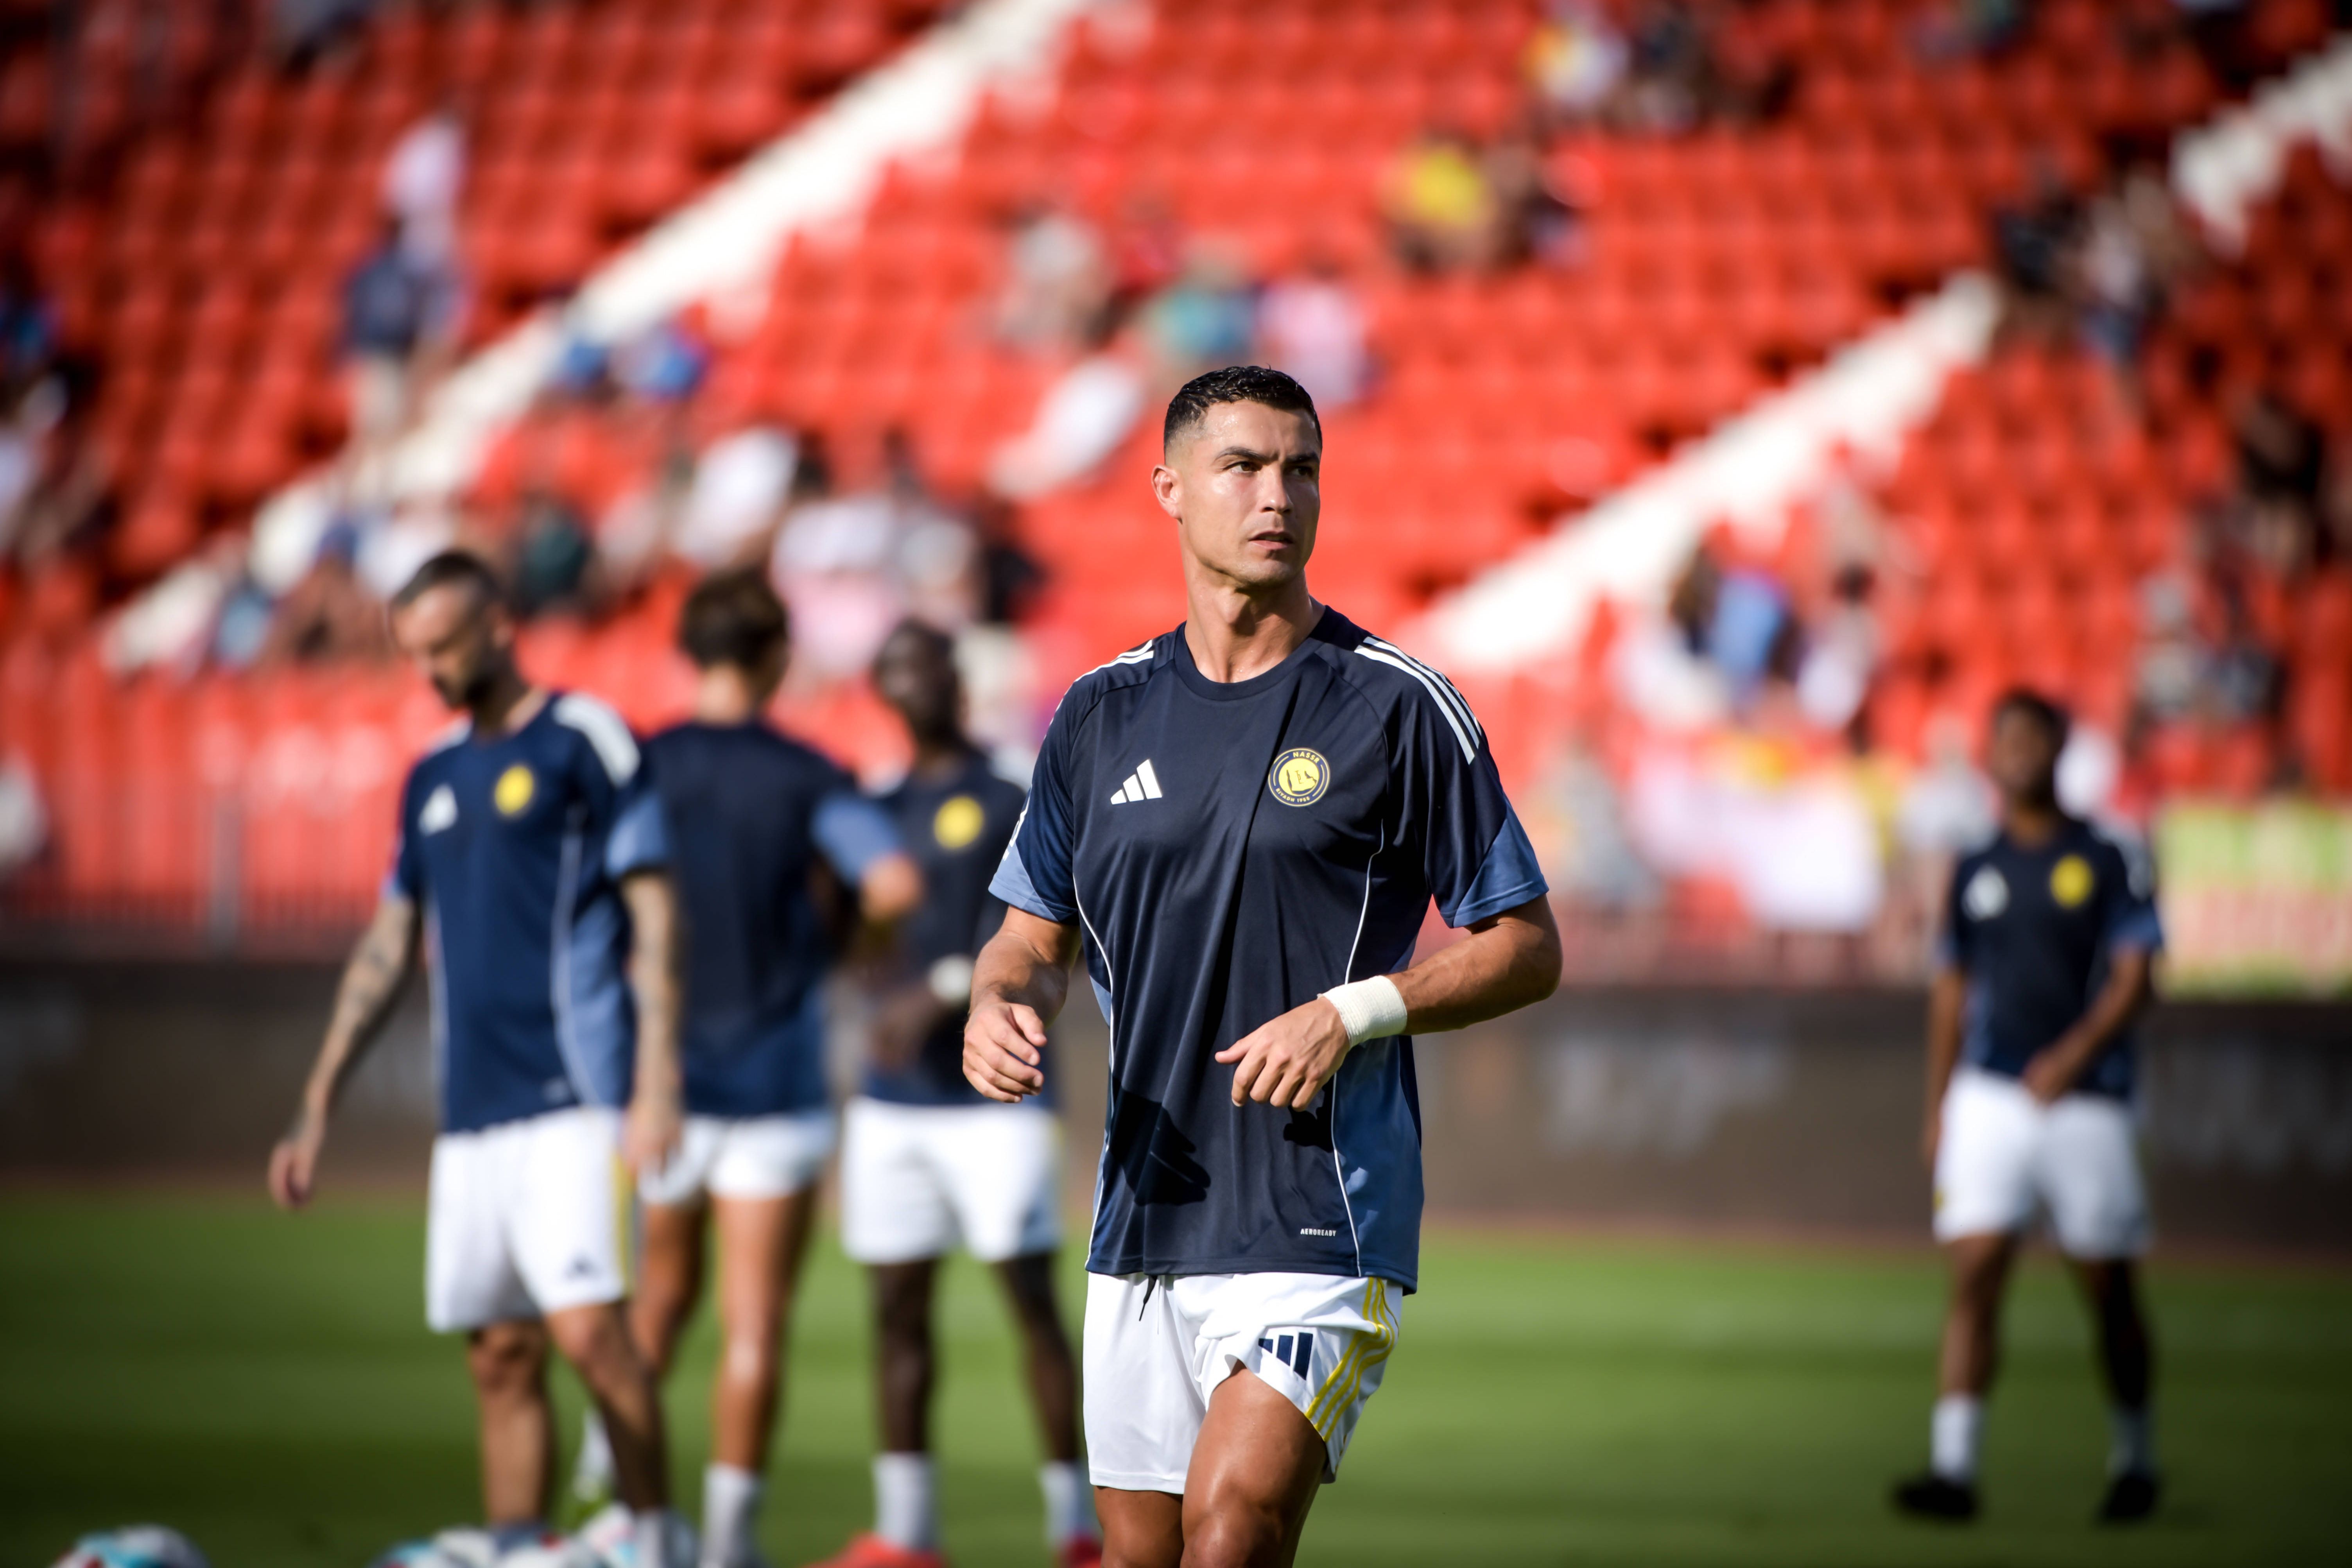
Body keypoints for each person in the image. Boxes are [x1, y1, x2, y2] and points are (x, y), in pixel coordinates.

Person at [962, 366, 1564, 1566]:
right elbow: (1031, 936)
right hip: (1143, 1217)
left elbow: (1526, 943)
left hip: (1317, 1217)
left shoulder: (1397, 706)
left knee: (1229, 1530)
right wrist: (998, 998)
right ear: (1170, 489)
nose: (1276, 494)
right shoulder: (1096, 713)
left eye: (1301, 468)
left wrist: (1355, 1011)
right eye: (1242, 466)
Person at [267, 550, 690, 1566]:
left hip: (577, 1100)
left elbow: (655, 907)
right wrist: (318, 1097)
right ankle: (515, 1551)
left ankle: (661, 1544)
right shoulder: (431, 777)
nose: (433, 671)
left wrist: (658, 1072)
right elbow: (387, 943)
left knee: (594, 1335)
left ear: (499, 624)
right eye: (415, 654)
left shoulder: (583, 738)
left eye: (446, 646)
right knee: (500, 1355)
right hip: (472, 1115)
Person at [569, 570, 918, 1568]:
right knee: (753, 1321)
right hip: (776, 1079)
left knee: (657, 1302)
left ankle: (622, 1510)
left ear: (691, 649)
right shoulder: (809, 772)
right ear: (774, 655)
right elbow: (888, 877)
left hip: (665, 1079)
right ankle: (728, 1541)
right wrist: (849, 944)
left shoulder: (643, 763)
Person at [811, 620, 1101, 1568]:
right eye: (890, 672)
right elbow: (852, 938)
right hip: (895, 1102)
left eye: (922, 668)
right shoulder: (870, 805)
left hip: (995, 1096)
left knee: (1030, 1304)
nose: (909, 687)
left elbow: (1016, 936)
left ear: (953, 680)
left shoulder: (1009, 792)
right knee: (895, 1308)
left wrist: (929, 996)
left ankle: (1077, 1527)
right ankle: (907, 1534)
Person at [1894, 689, 2164, 1525]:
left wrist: (2073, 1054)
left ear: (2057, 748)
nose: (2014, 751)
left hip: (2084, 1099)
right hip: (1988, 1095)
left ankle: (2133, 1455)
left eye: (2029, 737)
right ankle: (1953, 1468)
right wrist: (1937, 1101)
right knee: (1973, 1271)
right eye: (2001, 737)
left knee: (2105, 1284)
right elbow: (1949, 989)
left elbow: (2134, 976)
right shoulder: (1975, 865)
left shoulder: (2108, 856)